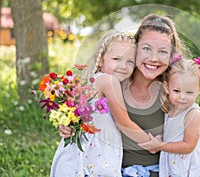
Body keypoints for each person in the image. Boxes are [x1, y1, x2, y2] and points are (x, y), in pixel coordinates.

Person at [60, 14, 200, 177]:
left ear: (171, 55)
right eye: (146, 48)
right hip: (111, 170)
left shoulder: (172, 89)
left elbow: (188, 133)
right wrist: (69, 126)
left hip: (160, 172)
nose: (153, 58)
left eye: (162, 51)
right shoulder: (115, 82)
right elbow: (86, 115)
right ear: (135, 48)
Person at [51, 30, 153, 177]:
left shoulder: (93, 81)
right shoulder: (108, 81)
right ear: (100, 60)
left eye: (130, 61)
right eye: (117, 59)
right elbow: (123, 123)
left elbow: (73, 115)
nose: (123, 66)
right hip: (93, 159)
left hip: (75, 159)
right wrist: (152, 143)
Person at [138, 56, 200, 177]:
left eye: (189, 92)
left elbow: (188, 146)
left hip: (189, 165)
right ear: (167, 87)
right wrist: (159, 138)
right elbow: (172, 132)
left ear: (198, 90)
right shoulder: (170, 107)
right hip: (174, 162)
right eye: (177, 91)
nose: (182, 97)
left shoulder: (193, 114)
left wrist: (159, 145)